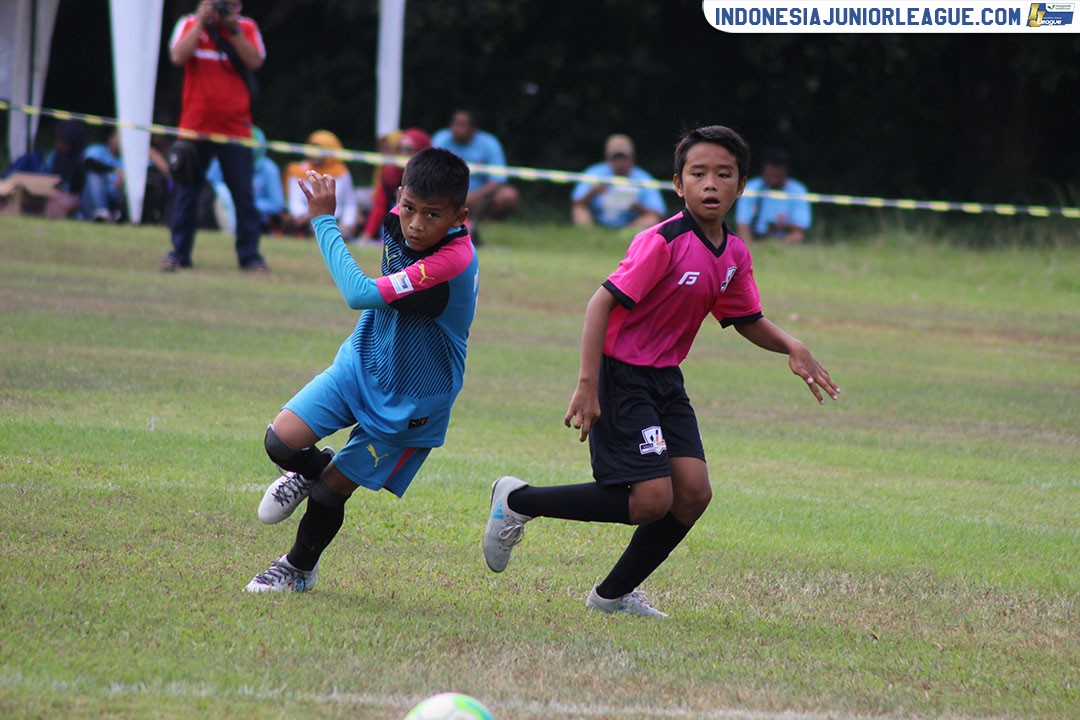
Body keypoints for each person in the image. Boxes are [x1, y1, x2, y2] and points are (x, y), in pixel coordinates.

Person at [482, 126, 840, 618]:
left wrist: (790, 345)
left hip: (666, 380)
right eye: (699, 174)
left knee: (692, 494)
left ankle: (612, 596)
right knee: (651, 499)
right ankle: (520, 500)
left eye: (723, 174)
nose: (711, 184)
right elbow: (599, 304)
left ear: (741, 186)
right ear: (678, 184)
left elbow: (744, 318)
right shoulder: (662, 241)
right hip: (623, 375)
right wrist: (588, 385)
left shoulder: (733, 253)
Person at [244, 147, 479, 593]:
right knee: (281, 440)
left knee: (330, 492)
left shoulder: (451, 262)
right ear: (399, 196)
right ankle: (312, 468)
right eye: (408, 208)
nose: (414, 224)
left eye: (432, 216)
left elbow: (357, 293)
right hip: (362, 360)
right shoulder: (398, 220)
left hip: (412, 401)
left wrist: (322, 219)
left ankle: (297, 568)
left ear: (458, 216)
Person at [160, 0, 268, 273]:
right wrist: (199, 21)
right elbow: (177, 57)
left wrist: (232, 29)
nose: (225, 9)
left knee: (243, 195)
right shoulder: (188, 24)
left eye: (230, 4)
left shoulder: (246, 27)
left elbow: (255, 61)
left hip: (236, 129)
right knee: (187, 192)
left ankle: (250, 257)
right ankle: (178, 253)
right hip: (195, 128)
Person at [432, 109, 519, 222]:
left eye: (461, 125)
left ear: (473, 129)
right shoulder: (441, 138)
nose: (455, 128)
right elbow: (431, 172)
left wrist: (472, 197)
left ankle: (484, 219)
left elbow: (498, 179)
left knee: (509, 195)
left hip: (480, 195)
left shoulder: (490, 143)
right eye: (454, 123)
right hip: (447, 194)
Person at [571, 134, 666, 229]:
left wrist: (637, 206)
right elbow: (577, 203)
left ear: (632, 158)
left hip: (631, 223)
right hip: (597, 220)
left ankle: (627, 236)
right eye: (616, 158)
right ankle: (589, 234)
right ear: (607, 158)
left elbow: (659, 213)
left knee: (651, 219)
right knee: (579, 211)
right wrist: (592, 192)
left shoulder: (644, 179)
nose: (620, 163)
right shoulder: (594, 173)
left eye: (624, 158)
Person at [359, 127, 432, 243]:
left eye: (409, 150)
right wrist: (366, 237)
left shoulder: (433, 179)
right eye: (400, 149)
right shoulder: (390, 173)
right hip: (393, 229)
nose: (403, 154)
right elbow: (379, 206)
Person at [282, 130, 359, 239]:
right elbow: (294, 199)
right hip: (307, 222)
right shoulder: (298, 170)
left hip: (336, 222)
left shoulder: (342, 172)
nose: (314, 153)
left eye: (320, 150)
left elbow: (350, 202)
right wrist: (301, 214)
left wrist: (348, 223)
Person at [207, 126, 284, 233]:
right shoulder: (224, 161)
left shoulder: (269, 169)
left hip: (256, 218)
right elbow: (211, 184)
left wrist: (248, 204)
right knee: (223, 196)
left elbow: (276, 204)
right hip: (223, 211)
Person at [3, 120, 86, 218]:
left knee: (56, 204)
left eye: (63, 141)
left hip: (67, 197)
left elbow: (76, 191)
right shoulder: (48, 156)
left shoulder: (80, 162)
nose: (59, 144)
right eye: (58, 139)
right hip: (42, 192)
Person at [734, 148, 812, 243]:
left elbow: (801, 227)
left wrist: (784, 226)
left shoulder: (798, 190)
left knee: (797, 236)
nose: (774, 179)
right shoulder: (751, 188)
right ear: (763, 171)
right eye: (770, 175)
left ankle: (774, 249)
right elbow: (742, 224)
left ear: (785, 171)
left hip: (784, 237)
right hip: (755, 235)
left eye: (778, 176)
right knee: (742, 234)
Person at [79, 130, 124, 222]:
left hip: (117, 198)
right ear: (110, 138)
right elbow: (88, 163)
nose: (121, 141)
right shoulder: (97, 150)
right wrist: (112, 170)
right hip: (91, 199)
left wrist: (125, 179)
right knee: (93, 175)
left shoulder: (127, 159)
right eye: (118, 138)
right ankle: (101, 212)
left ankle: (115, 213)